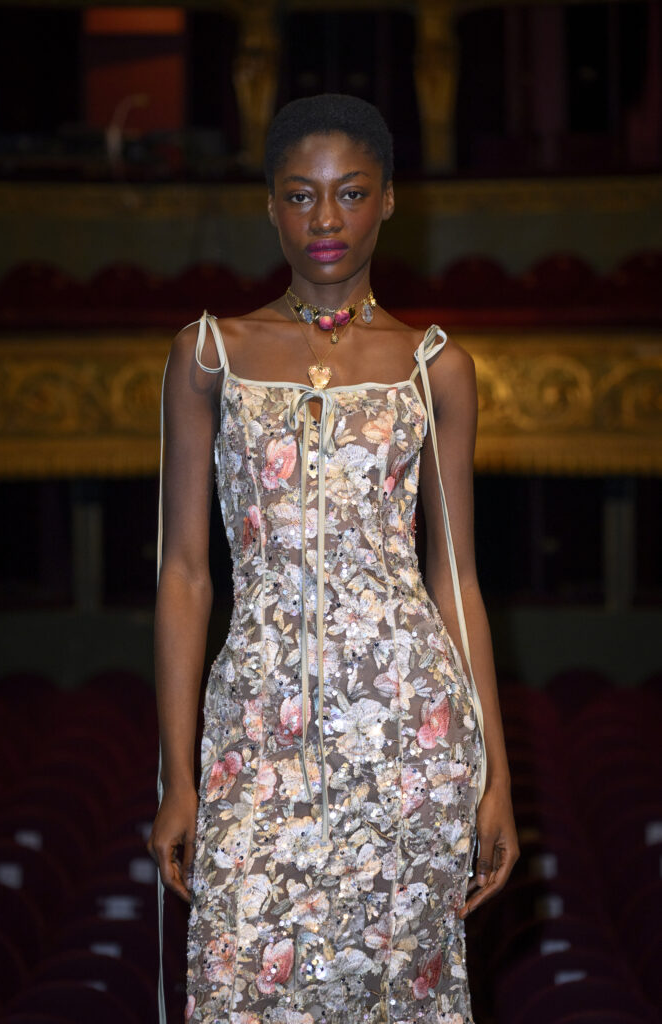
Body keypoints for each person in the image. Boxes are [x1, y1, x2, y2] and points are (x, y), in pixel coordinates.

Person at [148, 93, 519, 1024]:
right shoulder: (208, 354)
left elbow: (456, 578)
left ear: (387, 200)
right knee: (239, 984)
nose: (325, 219)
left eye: (350, 193)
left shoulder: (436, 366)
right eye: (300, 194)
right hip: (253, 732)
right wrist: (176, 775)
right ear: (270, 205)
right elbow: (185, 574)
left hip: (410, 738)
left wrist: (495, 776)